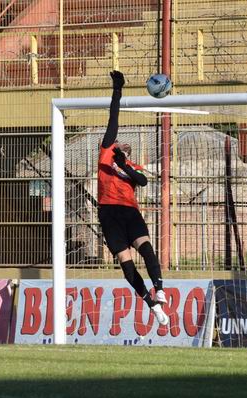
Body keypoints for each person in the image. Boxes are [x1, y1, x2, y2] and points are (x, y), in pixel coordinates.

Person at [98, 70, 169, 326]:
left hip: (129, 211)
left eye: (124, 147)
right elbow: (112, 119)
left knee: (147, 249)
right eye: (117, 143)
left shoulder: (133, 167)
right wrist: (118, 90)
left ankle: (159, 288)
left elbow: (142, 181)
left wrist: (125, 166)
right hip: (108, 214)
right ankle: (152, 306)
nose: (120, 145)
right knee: (127, 266)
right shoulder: (105, 157)